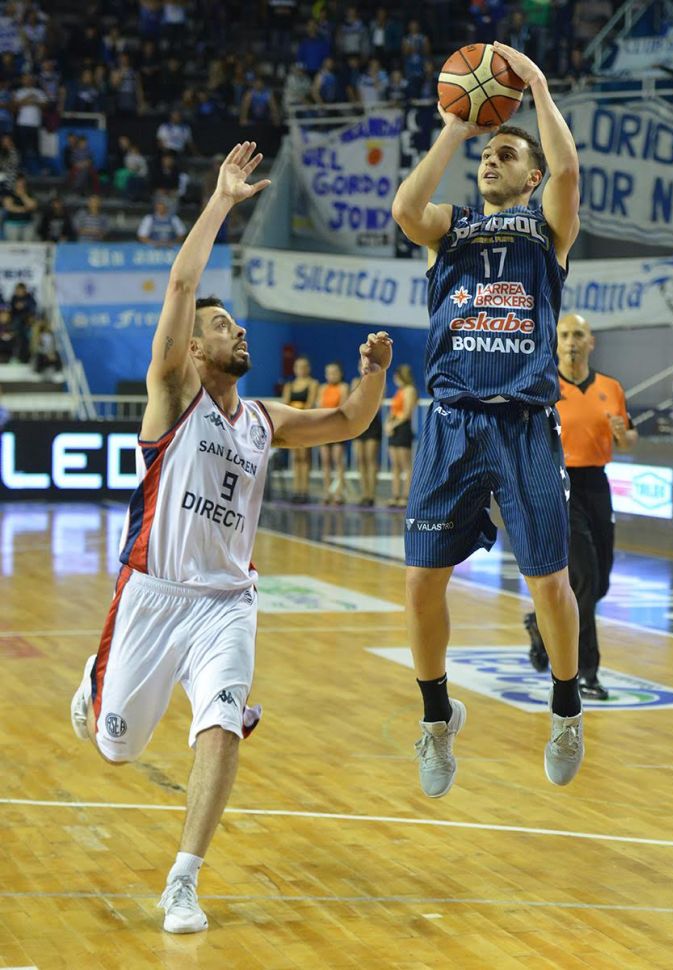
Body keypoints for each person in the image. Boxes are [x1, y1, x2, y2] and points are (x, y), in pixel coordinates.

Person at [69, 141, 392, 935]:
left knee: (219, 724)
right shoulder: (171, 395)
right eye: (223, 325)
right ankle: (97, 682)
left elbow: (350, 422)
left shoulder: (263, 419)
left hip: (227, 603)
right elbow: (182, 285)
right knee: (115, 749)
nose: (237, 331)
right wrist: (221, 200)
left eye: (240, 324)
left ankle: (182, 882)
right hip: (152, 594)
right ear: (193, 348)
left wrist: (375, 373)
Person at [391, 41, 583, 795]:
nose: (491, 161)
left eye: (506, 154)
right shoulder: (452, 226)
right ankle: (437, 720)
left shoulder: (546, 228)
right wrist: (455, 127)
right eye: (487, 155)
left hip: (524, 424)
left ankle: (565, 709)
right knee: (419, 583)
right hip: (451, 423)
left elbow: (568, 173)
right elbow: (406, 211)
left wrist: (536, 88)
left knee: (549, 586)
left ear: (531, 175)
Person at [524, 314, 638, 699]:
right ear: (555, 342)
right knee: (585, 578)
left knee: (599, 582)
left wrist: (624, 435)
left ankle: (540, 624)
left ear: (591, 342)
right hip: (559, 484)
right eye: (565, 335)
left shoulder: (610, 387)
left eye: (578, 335)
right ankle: (586, 673)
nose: (571, 341)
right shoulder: (544, 385)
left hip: (597, 485)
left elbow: (629, 437)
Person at [282, 354, 319, 503]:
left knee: (304, 457)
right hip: (293, 424)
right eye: (298, 367)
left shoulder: (313, 384)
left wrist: (296, 409)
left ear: (308, 368)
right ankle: (296, 490)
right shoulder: (289, 385)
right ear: (294, 368)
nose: (301, 369)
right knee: (296, 458)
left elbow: (310, 404)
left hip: (305, 424)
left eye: (304, 367)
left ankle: (304, 490)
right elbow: (285, 404)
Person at [351, 359, 383, 507]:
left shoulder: (378, 381)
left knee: (371, 459)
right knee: (360, 459)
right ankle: (364, 493)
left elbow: (378, 404)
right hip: (359, 422)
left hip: (372, 422)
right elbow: (352, 402)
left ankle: (371, 494)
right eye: (361, 365)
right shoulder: (355, 382)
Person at [317, 361, 350, 504]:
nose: (332, 375)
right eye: (329, 373)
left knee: (338, 460)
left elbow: (342, 406)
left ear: (340, 373)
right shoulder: (323, 388)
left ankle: (339, 492)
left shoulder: (343, 387)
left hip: (337, 427)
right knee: (325, 460)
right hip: (325, 427)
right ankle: (327, 491)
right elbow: (319, 406)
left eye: (334, 372)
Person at [386, 363, 417, 508]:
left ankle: (406, 495)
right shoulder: (399, 391)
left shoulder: (410, 390)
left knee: (405, 465)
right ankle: (395, 495)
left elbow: (406, 413)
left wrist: (393, 425)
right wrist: (388, 423)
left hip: (403, 428)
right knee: (395, 465)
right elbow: (393, 411)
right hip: (395, 428)